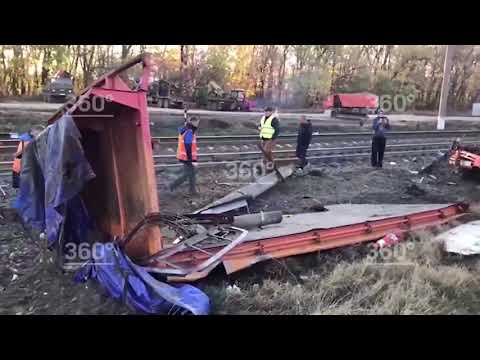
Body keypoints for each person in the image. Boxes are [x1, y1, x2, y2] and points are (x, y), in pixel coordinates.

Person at [169, 116, 200, 195]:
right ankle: (172, 186)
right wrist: (192, 161)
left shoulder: (186, 129)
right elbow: (188, 147)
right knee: (188, 174)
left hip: (183, 156)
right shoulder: (189, 131)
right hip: (186, 158)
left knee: (192, 173)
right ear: (193, 122)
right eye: (197, 122)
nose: (197, 124)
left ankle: (192, 191)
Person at [258, 106, 280, 171]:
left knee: (265, 152)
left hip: (270, 139)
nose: (266, 113)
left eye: (267, 111)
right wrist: (259, 127)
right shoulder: (263, 118)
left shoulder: (274, 119)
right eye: (265, 111)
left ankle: (262, 166)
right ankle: (272, 165)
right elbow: (261, 125)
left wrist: (273, 138)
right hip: (264, 138)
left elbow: (277, 130)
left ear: (271, 112)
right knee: (268, 153)